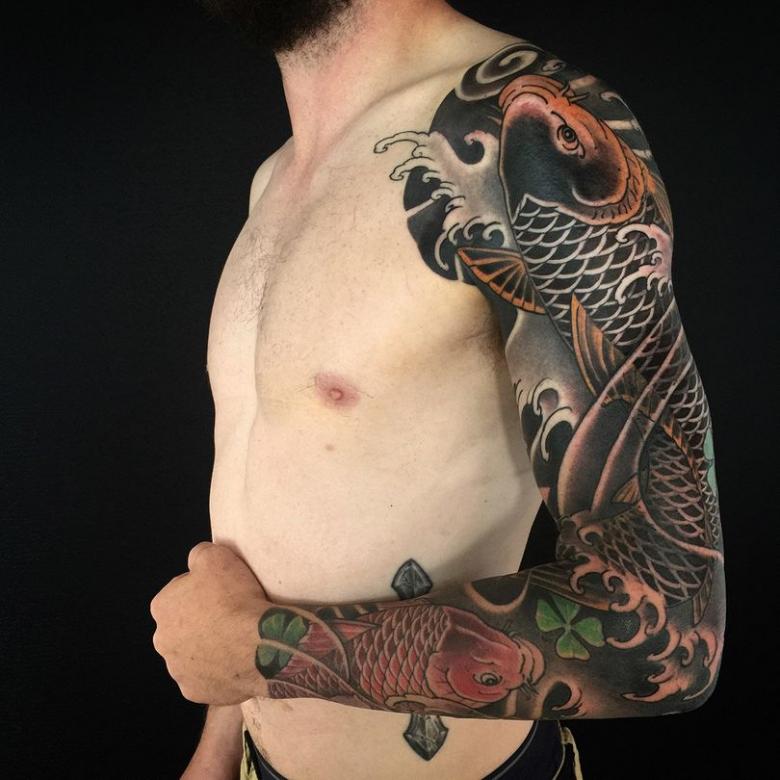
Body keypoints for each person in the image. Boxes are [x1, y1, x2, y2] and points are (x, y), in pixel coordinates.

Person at [149, 1, 727, 778]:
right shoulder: (276, 178)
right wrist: (221, 745)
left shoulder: (529, 128)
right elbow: (276, 504)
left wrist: (260, 650)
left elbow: (670, 637)